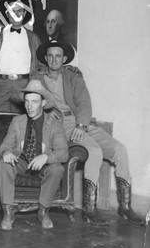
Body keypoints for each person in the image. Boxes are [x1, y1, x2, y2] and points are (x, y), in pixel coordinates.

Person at [35, 40, 143, 225]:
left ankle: (125, 206)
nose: (54, 60)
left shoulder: (73, 77)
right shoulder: (37, 78)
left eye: (58, 56)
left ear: (65, 59)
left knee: (119, 149)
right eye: (50, 56)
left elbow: (84, 103)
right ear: (45, 58)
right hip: (58, 126)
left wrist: (82, 125)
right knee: (94, 151)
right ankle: (89, 209)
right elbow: (27, 99)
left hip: (80, 122)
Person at [0, 80, 68, 230]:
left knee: (57, 169)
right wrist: (6, 153)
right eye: (27, 102)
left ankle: (43, 211)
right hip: (22, 161)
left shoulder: (54, 123)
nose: (29, 106)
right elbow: (4, 146)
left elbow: (63, 152)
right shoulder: (17, 121)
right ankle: (8, 211)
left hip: (44, 166)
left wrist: (46, 157)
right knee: (3, 164)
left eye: (34, 102)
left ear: (43, 103)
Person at [0, 0, 41, 113]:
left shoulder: (34, 38)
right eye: (13, 11)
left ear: (24, 13)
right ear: (7, 14)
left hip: (24, 86)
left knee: (22, 122)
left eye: (20, 11)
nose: (16, 14)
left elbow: (39, 67)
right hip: (0, 86)